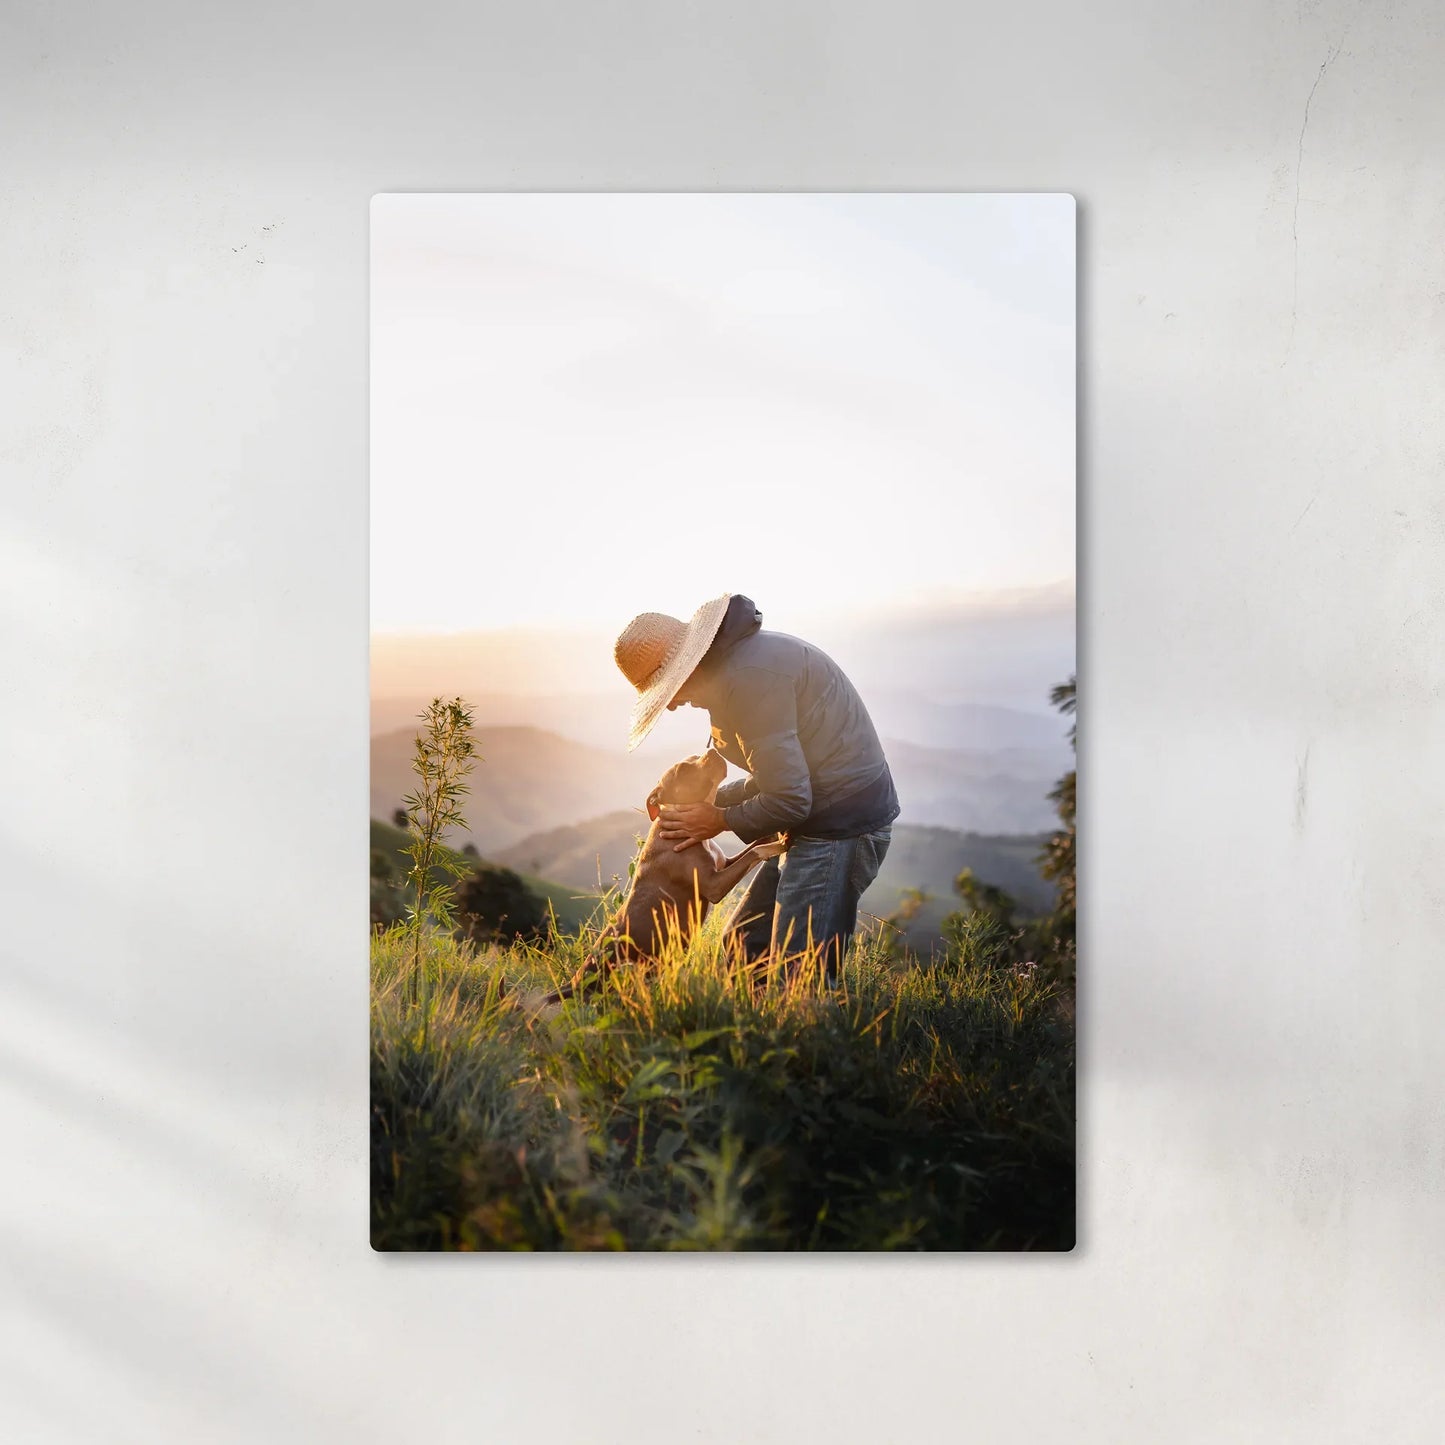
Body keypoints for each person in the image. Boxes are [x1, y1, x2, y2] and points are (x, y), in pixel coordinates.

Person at [613, 593, 898, 980]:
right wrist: (705, 804)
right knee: (745, 948)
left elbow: (791, 799)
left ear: (687, 667)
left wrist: (719, 817)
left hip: (841, 828)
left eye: (668, 692)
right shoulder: (734, 671)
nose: (672, 706)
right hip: (816, 818)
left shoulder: (749, 684)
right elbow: (779, 777)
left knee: (800, 974)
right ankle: (760, 1036)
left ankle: (809, 1037)